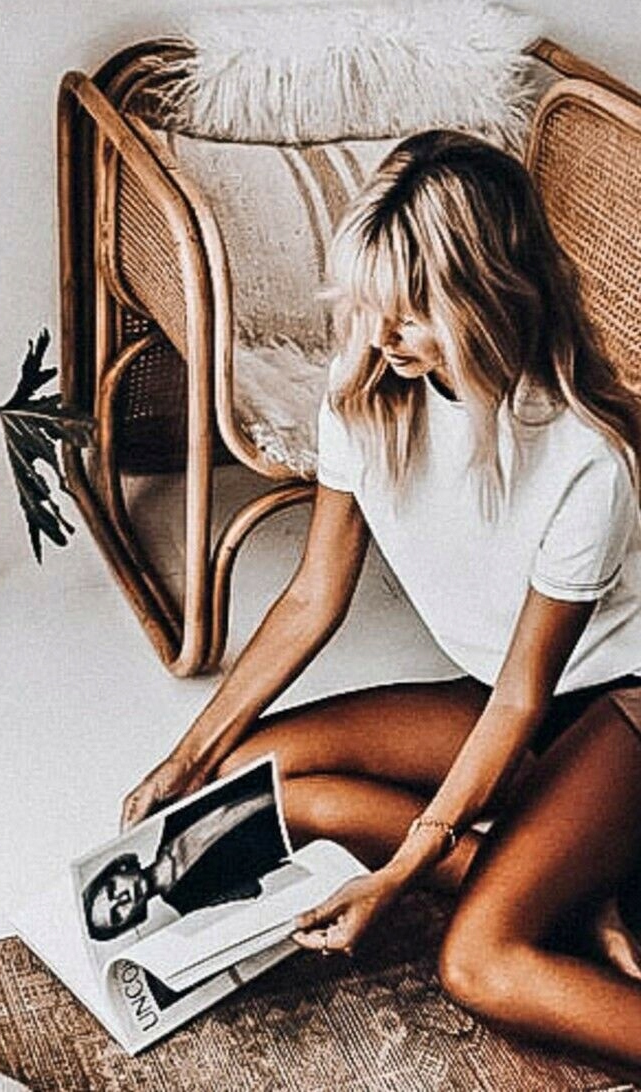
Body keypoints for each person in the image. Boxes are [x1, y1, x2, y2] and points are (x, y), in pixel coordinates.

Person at [121, 129, 641, 1068]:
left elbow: (523, 698)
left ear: (488, 294)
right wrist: (184, 757)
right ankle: (570, 892)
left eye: (409, 312)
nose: (380, 335)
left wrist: (399, 873)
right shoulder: (366, 394)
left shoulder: (586, 458)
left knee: (479, 963)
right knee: (245, 782)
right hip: (512, 705)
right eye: (369, 306)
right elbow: (314, 596)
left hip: (615, 711)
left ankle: (545, 888)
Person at [83, 787, 278, 940]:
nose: (123, 898)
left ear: (119, 870)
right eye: (117, 914)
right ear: (128, 922)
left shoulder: (173, 819)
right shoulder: (190, 901)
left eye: (112, 889)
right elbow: (253, 888)